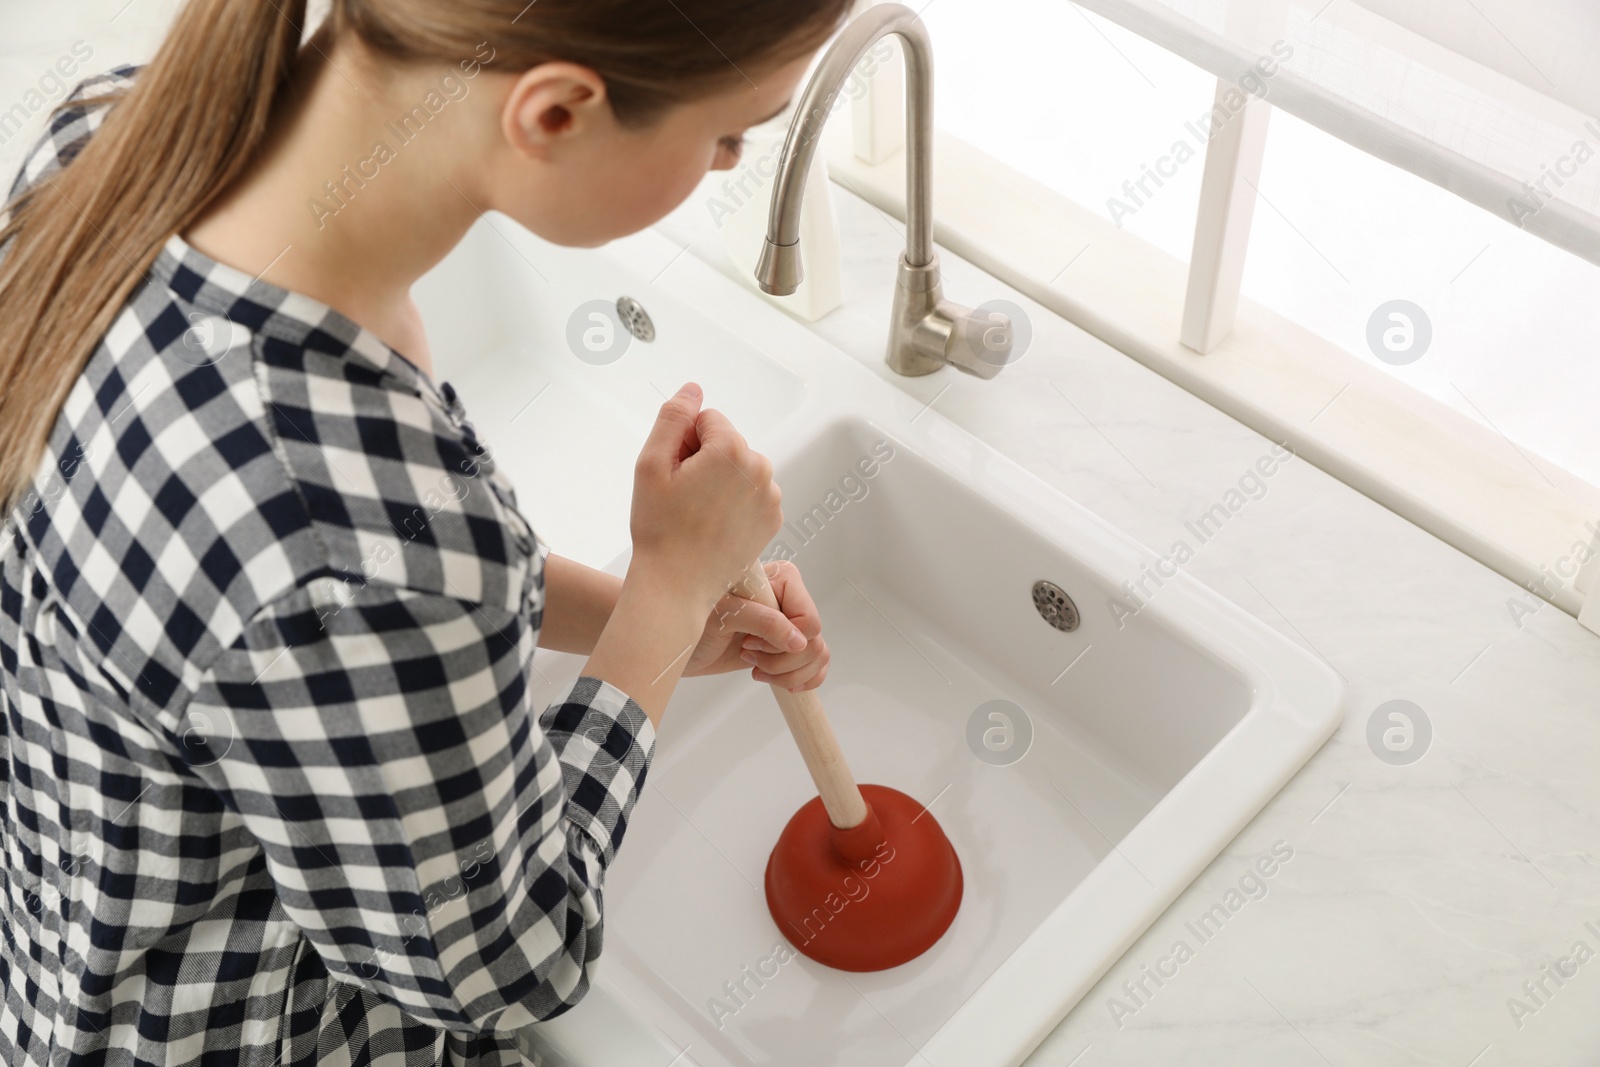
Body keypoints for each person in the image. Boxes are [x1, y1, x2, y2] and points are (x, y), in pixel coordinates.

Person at [0, 0, 852, 1062]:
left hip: (69, 942)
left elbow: (328, 611)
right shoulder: (336, 520)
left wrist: (639, 614)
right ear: (553, 115)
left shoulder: (114, 141)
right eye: (730, 134)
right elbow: (508, 956)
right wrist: (669, 590)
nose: (729, 165)